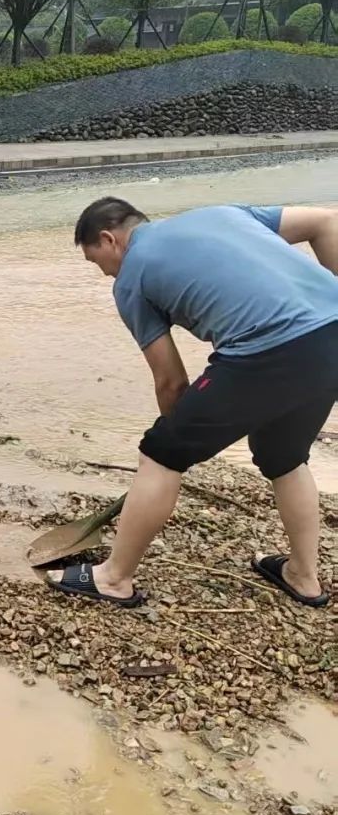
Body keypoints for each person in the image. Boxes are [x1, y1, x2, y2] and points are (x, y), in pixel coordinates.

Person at [50, 197, 338, 609]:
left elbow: (170, 381)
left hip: (267, 351)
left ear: (109, 239)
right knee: (284, 454)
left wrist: (175, 447)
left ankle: (113, 579)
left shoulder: (131, 278)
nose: (106, 273)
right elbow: (327, 220)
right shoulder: (224, 214)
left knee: (160, 452)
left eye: (98, 262)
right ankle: (303, 576)